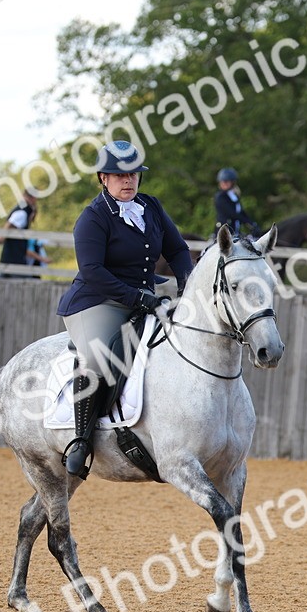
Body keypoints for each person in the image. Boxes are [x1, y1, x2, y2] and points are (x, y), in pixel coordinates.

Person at [57, 139, 193, 478]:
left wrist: (186, 284)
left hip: (145, 295)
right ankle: (80, 440)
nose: (128, 180)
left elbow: (178, 250)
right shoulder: (92, 218)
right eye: (119, 175)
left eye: (133, 174)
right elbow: (93, 271)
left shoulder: (151, 206)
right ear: (103, 178)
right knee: (97, 358)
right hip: (98, 301)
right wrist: (138, 298)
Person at [0, 187, 40, 279]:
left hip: (13, 259)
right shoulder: (21, 213)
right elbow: (3, 234)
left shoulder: (25, 211)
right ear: (34, 198)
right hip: (14, 260)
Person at [214, 167, 261, 237]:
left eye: (226, 181)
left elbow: (241, 212)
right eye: (222, 181)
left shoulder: (233, 196)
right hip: (224, 233)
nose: (224, 183)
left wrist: (253, 224)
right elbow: (232, 213)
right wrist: (247, 222)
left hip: (235, 231)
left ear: (233, 182)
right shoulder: (220, 197)